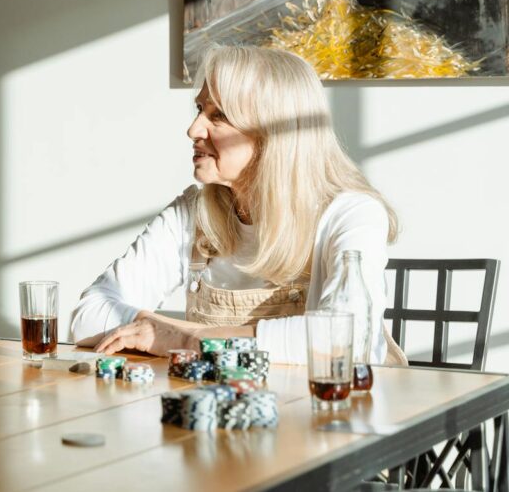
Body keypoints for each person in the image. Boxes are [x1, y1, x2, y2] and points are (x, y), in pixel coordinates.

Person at [71, 45, 407, 364]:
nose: (193, 129)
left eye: (218, 116)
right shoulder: (193, 211)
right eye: (199, 110)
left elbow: (341, 338)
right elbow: (88, 316)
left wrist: (186, 338)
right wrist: (169, 332)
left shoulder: (350, 214)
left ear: (274, 133)